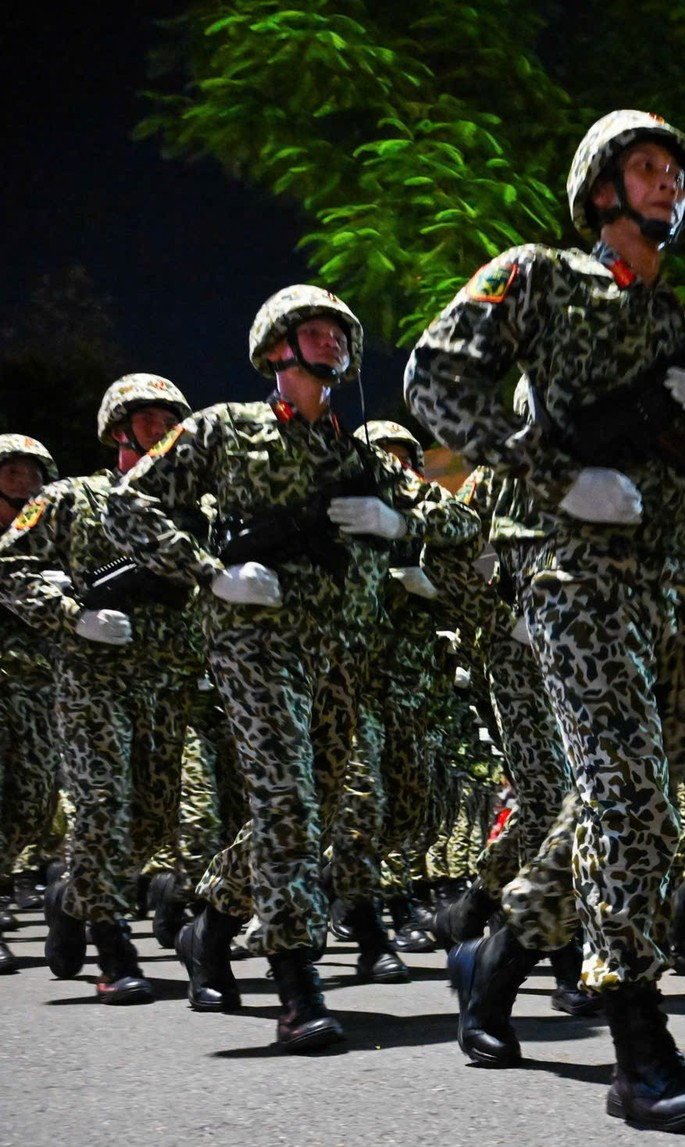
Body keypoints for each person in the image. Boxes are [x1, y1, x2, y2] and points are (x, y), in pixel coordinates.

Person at [405, 111, 685, 1128]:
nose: (666, 183)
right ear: (601, 187)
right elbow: (434, 376)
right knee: (629, 798)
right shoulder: (540, 276)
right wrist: (550, 471)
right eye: (645, 168)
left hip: (668, 592)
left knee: (612, 801)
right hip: (573, 570)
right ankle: (638, 1052)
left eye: (675, 172)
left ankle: (494, 961)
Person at [108, 286, 477, 1052]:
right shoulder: (224, 430)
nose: (333, 341)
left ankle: (211, 926)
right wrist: (208, 571)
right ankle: (297, 980)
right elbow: (128, 508)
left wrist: (399, 519)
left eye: (341, 332)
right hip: (254, 645)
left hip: (339, 657)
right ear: (277, 346)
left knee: (310, 810)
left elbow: (461, 520)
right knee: (288, 803)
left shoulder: (357, 455)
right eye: (315, 330)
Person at [0, 375, 202, 1004]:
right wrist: (72, 615)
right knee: (102, 806)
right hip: (92, 682)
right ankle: (114, 951)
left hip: (166, 682)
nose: (159, 431)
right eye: (146, 420)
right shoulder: (71, 499)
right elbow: (10, 566)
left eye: (168, 421)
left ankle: (72, 896)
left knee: (153, 815)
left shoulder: (192, 509)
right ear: (118, 429)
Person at [0, 434, 60, 976]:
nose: (26, 484)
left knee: (36, 803)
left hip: (35, 685)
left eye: (34, 475)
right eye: (14, 474)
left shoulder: (51, 541)